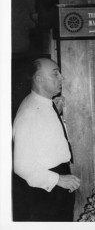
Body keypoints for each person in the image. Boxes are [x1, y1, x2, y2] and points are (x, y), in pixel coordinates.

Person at [12, 58, 80, 221]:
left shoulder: (43, 104)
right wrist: (58, 179)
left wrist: (56, 112)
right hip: (46, 191)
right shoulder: (30, 113)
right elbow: (20, 166)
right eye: (55, 74)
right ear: (39, 79)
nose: (61, 78)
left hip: (55, 184)